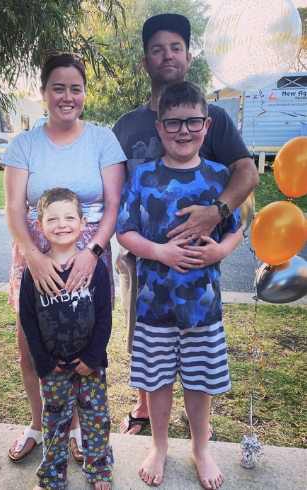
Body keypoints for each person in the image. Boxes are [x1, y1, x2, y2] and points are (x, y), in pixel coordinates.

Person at [111, 13, 259, 438]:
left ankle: (199, 431)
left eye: (175, 47)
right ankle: (144, 410)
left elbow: (246, 173)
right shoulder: (127, 125)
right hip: (142, 261)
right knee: (140, 339)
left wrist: (217, 212)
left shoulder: (211, 116)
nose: (167, 55)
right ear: (145, 62)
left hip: (198, 269)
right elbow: (119, 189)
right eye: (157, 49)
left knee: (197, 345)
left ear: (188, 56)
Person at [117, 80, 242, 489]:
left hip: (203, 307)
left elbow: (236, 231)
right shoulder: (144, 178)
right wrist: (160, 252)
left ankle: (201, 448)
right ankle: (159, 444)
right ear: (159, 126)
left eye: (192, 122)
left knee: (200, 380)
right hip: (154, 306)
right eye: (173, 124)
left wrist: (219, 253)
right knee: (156, 380)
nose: (183, 131)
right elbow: (125, 233)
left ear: (207, 125)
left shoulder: (219, 177)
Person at [2, 52, 126, 463]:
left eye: (76, 88)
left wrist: (93, 254)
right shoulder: (24, 144)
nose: (67, 97)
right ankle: (39, 424)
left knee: (80, 340)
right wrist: (33, 257)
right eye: (59, 88)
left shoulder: (103, 140)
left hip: (88, 257)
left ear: (85, 94)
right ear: (43, 93)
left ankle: (74, 425)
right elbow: (14, 210)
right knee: (31, 346)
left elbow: (113, 207)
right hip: (34, 254)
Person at [20, 187, 113, 490]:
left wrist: (92, 357)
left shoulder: (93, 268)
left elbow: (104, 317)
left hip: (91, 367)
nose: (62, 224)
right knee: (55, 425)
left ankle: (98, 470)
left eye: (70, 217)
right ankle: (52, 477)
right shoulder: (33, 273)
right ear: (40, 224)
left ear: (84, 222)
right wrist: (45, 364)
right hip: (55, 369)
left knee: (96, 420)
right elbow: (29, 321)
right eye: (53, 219)